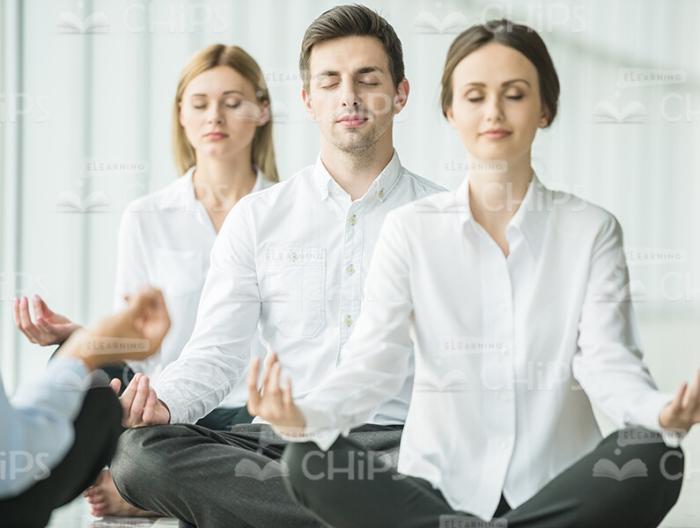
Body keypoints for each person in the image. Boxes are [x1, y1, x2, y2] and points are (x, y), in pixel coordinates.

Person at [251, 19, 697, 528]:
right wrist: (302, 417)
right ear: (450, 109)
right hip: (440, 490)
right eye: (475, 95)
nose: (493, 112)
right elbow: (373, 368)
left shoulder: (590, 230)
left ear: (544, 109)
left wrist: (660, 413)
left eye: (514, 94)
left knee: (655, 454)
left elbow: (608, 363)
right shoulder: (411, 230)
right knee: (309, 462)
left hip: (554, 484)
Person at [109, 5, 446, 527]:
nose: (349, 95)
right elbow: (216, 354)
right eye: (330, 81)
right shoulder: (259, 218)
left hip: (400, 448)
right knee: (138, 456)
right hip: (281, 447)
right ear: (309, 99)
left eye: (367, 79)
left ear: (400, 94)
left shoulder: (448, 220)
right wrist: (166, 405)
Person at [12, 43, 278, 518]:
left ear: (262, 110)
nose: (214, 115)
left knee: (273, 443)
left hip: (253, 415)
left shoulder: (288, 213)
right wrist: (82, 339)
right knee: (83, 374)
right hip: (161, 407)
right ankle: (154, 479)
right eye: (199, 104)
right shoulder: (147, 216)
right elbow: (136, 344)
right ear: (181, 115)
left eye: (232, 101)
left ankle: (143, 489)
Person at [0, 287, 170, 528]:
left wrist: (86, 342)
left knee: (90, 385)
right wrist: (83, 350)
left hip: (218, 409)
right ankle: (145, 480)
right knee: (95, 396)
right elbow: (12, 456)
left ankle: (143, 481)